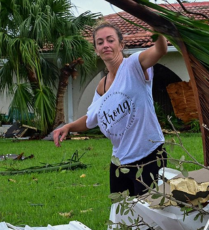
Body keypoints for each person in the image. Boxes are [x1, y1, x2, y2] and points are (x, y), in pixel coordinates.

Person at [53, 22, 168, 197]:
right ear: (96, 49)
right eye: (100, 42)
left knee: (150, 217)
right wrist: (68, 127)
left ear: (121, 45)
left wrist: (156, 27)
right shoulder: (102, 85)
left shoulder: (134, 66)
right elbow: (92, 118)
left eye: (110, 40)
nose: (105, 45)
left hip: (149, 155)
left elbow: (160, 50)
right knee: (122, 218)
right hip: (120, 162)